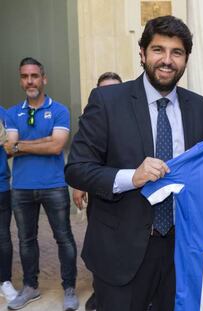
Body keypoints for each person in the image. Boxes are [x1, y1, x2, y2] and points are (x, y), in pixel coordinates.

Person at [65, 15, 203, 311]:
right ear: (143, 53)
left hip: (180, 251)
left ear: (186, 59)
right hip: (120, 251)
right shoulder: (107, 101)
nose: (167, 60)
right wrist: (130, 177)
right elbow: (77, 168)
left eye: (177, 52)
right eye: (158, 50)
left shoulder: (199, 107)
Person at [3, 57, 79, 310]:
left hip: (54, 185)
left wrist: (23, 144)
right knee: (26, 239)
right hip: (22, 187)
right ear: (21, 80)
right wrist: (41, 143)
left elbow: (57, 145)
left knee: (64, 238)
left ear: (43, 79)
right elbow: (9, 148)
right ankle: (30, 287)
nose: (29, 81)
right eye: (25, 76)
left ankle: (69, 287)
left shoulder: (58, 110)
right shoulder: (14, 113)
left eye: (34, 76)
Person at [71, 71, 122, 311]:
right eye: (104, 90)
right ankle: (99, 292)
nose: (110, 95)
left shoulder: (135, 117)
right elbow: (83, 158)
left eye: (115, 89)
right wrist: (80, 185)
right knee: (100, 248)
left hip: (130, 197)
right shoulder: (92, 117)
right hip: (100, 196)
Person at [0, 110, 17, 303]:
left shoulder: (4, 114)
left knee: (3, 236)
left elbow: (11, 148)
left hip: (1, 185)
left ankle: (5, 280)